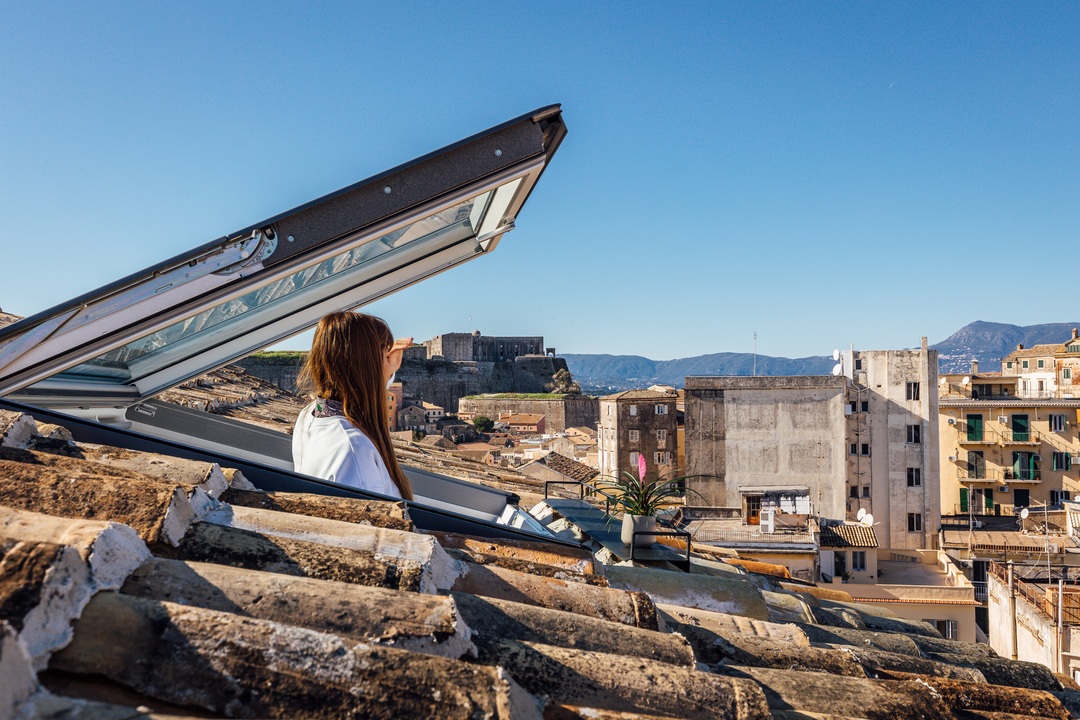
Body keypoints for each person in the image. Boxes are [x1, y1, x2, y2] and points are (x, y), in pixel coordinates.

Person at [292, 311, 414, 500]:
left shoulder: (310, 415)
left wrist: (388, 371)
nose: (388, 361)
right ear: (367, 366)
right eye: (384, 356)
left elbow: (362, 389)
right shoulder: (355, 451)